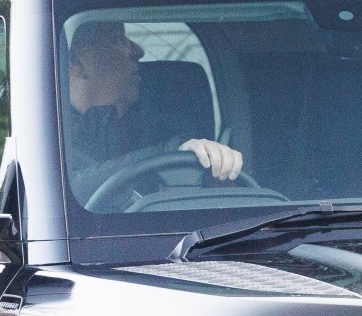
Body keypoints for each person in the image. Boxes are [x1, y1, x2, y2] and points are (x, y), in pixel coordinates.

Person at [65, 21, 243, 207]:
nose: (139, 50)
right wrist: (171, 153)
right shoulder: (42, 143)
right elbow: (67, 192)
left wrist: (211, 165)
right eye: (117, 39)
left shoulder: (152, 131)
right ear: (76, 63)